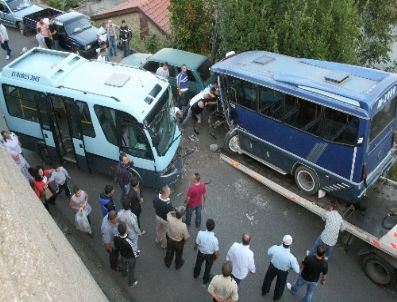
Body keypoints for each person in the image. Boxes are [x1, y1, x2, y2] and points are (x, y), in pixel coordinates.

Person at [261, 235, 300, 301]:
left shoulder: (275, 248)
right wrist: (290, 268)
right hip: (283, 272)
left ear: (282, 241)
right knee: (280, 285)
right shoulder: (291, 257)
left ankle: (264, 291)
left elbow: (268, 253)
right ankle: (276, 297)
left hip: (272, 267)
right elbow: (297, 270)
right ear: (290, 244)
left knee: (268, 279)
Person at [193, 218, 219, 285]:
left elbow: (196, 243)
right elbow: (216, 251)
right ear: (214, 227)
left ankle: (196, 274)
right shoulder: (215, 240)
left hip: (201, 253)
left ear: (206, 225)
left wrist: (195, 248)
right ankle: (205, 279)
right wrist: (216, 257)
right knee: (208, 267)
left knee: (198, 263)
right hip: (210, 256)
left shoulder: (200, 233)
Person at [114, 222, 138, 288]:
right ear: (125, 230)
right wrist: (137, 253)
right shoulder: (128, 241)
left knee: (124, 265)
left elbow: (116, 246)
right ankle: (131, 282)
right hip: (130, 258)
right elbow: (134, 252)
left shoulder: (115, 237)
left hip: (122, 255)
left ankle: (124, 273)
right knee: (131, 270)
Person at [152, 185, 173, 249]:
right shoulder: (169, 204)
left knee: (158, 229)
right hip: (165, 220)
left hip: (158, 217)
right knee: (165, 232)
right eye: (169, 192)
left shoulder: (155, 198)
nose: (170, 193)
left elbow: (154, 207)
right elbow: (170, 213)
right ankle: (164, 245)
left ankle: (158, 239)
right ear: (165, 193)